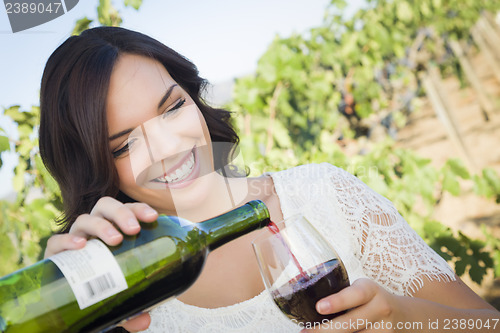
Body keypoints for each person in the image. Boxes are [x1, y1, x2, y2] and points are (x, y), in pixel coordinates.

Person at [39, 26, 498, 333]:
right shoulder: (124, 298)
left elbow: (484, 322)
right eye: (124, 144)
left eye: (172, 107)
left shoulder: (324, 193)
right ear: (94, 167)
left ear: (193, 97)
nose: (170, 147)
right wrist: (62, 316)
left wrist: (401, 317)